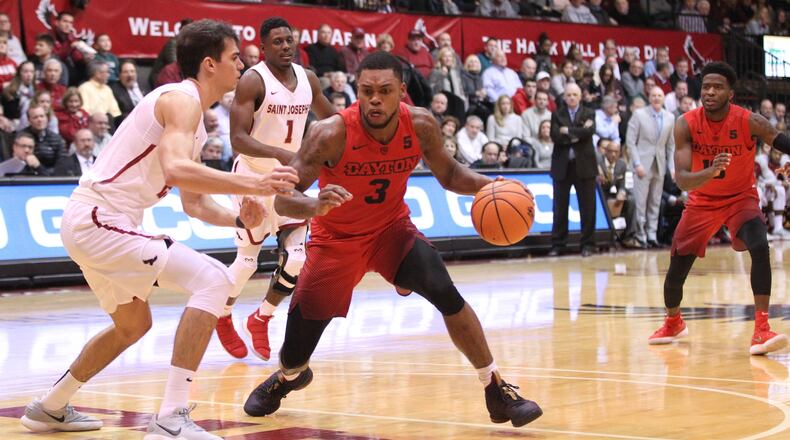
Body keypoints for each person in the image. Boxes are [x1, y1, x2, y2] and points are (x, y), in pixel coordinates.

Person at [18, 20, 299, 439]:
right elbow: (177, 169)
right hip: (99, 219)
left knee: (133, 325)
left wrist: (240, 219)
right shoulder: (181, 100)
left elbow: (194, 203)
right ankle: (171, 417)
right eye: (234, 57)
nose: (242, 64)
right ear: (210, 64)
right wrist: (255, 184)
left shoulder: (194, 120)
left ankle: (50, 406)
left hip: (96, 223)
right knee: (213, 280)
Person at [242, 51, 543, 428]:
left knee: (445, 291)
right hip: (336, 242)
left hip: (391, 232)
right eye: (366, 91)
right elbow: (284, 198)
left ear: (401, 91)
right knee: (294, 355)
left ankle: (496, 389)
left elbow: (450, 174)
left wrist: (494, 185)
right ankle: (289, 377)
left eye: (384, 91)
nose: (374, 99)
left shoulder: (420, 124)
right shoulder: (330, 133)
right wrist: (315, 204)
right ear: (357, 91)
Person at [648, 62, 790, 355]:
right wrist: (710, 172)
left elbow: (781, 141)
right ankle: (673, 322)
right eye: (706, 87)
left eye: (717, 87)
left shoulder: (749, 121)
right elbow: (682, 179)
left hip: (740, 197)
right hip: (702, 201)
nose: (710, 92)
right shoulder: (686, 123)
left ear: (731, 93)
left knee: (759, 244)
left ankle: (762, 329)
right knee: (677, 267)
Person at [217, 17, 335, 361]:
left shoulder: (308, 79)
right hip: (252, 178)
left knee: (297, 257)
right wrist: (280, 153)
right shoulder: (253, 80)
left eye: (289, 40)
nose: (285, 46)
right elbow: (238, 139)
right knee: (246, 261)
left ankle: (261, 317)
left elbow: (333, 121)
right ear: (263, 47)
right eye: (278, 42)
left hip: (287, 180)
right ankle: (222, 315)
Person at [548, 83, 597, 257]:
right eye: (568, 95)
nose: (571, 97)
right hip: (562, 166)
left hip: (585, 166)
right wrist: (577, 134)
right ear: (564, 97)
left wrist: (567, 131)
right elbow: (555, 135)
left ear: (580, 96)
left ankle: (588, 245)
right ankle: (558, 244)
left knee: (588, 208)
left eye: (575, 94)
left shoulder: (589, 112)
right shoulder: (557, 113)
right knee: (560, 208)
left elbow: (589, 132)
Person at [626, 86, 675, 248]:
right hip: (642, 165)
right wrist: (637, 163)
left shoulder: (670, 117)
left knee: (655, 202)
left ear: (663, 98)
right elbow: (630, 142)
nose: (656, 98)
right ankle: (641, 236)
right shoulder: (639, 114)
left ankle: (652, 235)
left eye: (659, 95)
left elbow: (671, 146)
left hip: (659, 165)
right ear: (649, 97)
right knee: (640, 203)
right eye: (653, 95)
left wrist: (672, 167)